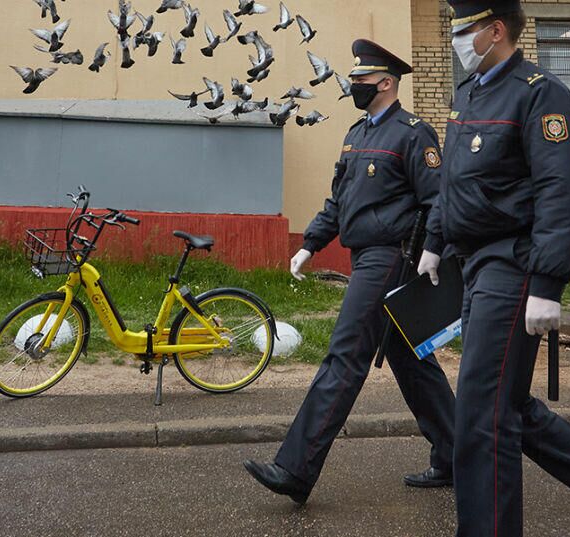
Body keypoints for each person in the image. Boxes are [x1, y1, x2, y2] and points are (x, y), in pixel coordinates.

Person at [417, 1, 570, 535]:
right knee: (508, 405)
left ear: (495, 30)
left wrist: (548, 283)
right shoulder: (469, 93)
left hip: (514, 263)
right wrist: (434, 240)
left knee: (480, 418)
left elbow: (561, 191)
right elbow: (452, 181)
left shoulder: (540, 92)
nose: (456, 39)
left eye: (464, 30)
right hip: (474, 265)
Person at [243, 39, 456, 505]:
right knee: (411, 359)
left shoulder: (413, 134)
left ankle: (295, 469)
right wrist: (310, 244)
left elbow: (436, 199)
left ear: (386, 82)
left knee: (345, 354)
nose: (353, 85)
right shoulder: (356, 135)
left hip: (392, 258)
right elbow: (338, 202)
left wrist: (432, 250)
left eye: (361, 80)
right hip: (365, 255)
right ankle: (458, 454)